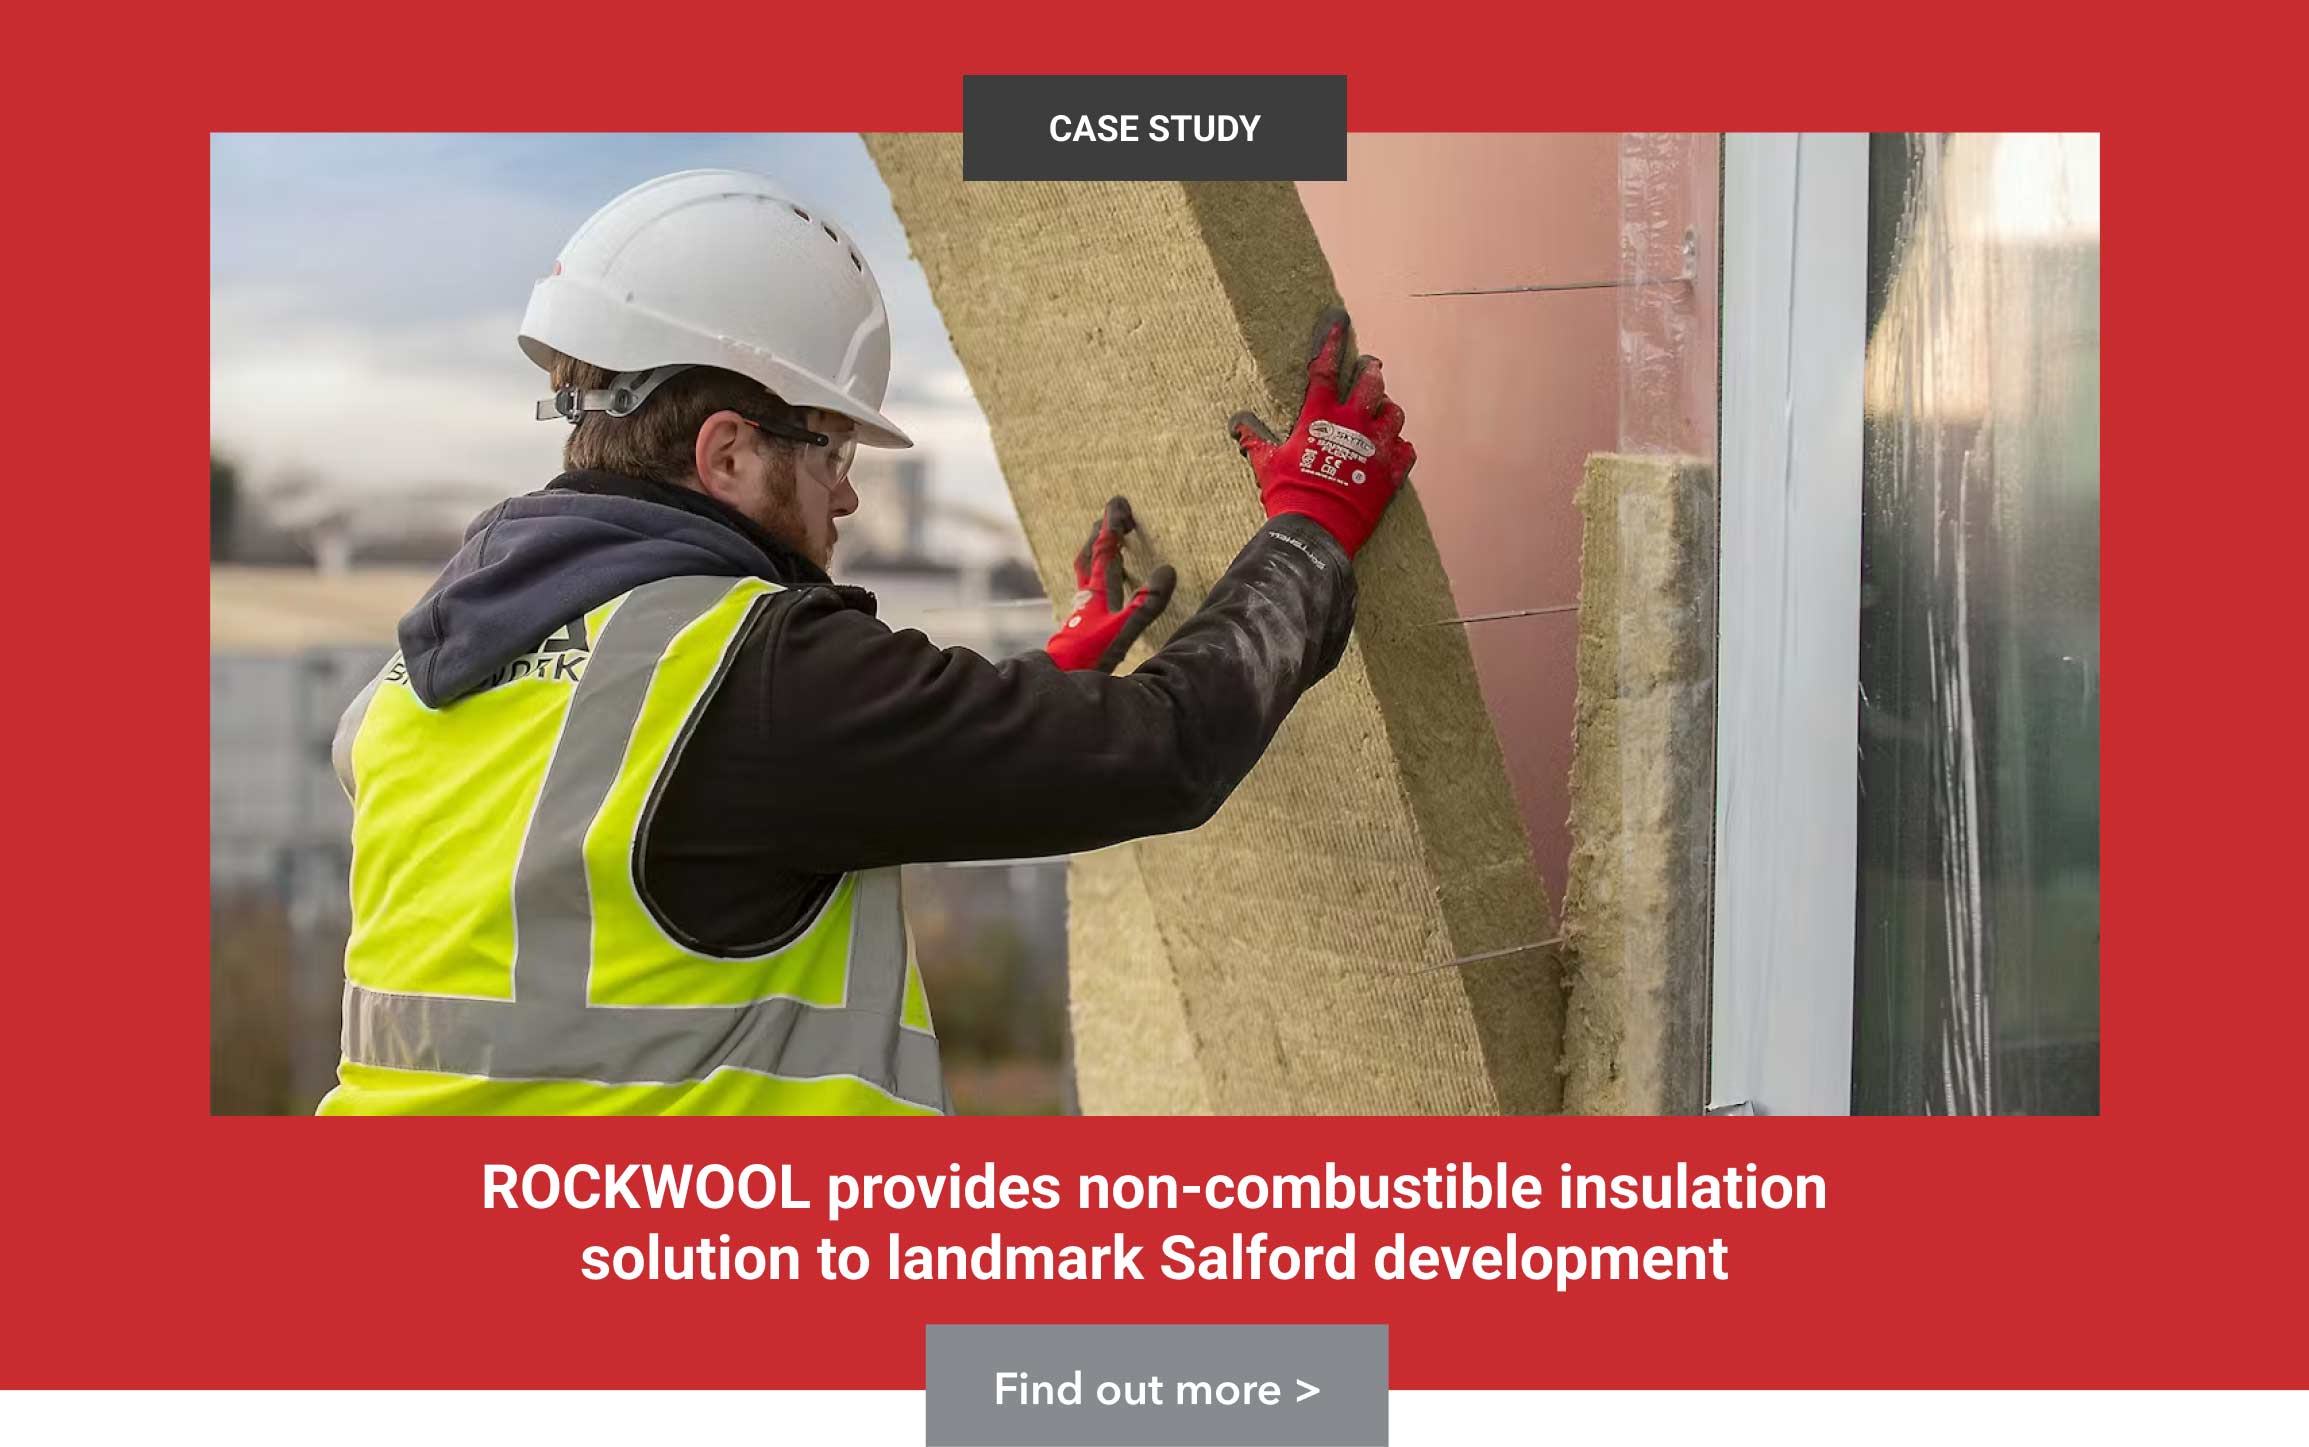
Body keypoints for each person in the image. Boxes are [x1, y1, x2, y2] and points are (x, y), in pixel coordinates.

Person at [318, 168, 1415, 1117]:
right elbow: (1159, 752)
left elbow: (709, 837)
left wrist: (1035, 690)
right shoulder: (752, 672)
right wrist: (1309, 532)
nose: (845, 493)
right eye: (830, 444)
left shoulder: (412, 684)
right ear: (729, 453)